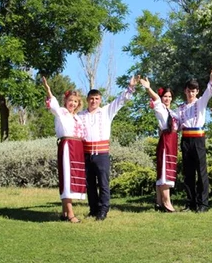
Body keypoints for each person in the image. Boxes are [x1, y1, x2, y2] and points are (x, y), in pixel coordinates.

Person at [78, 76, 138, 220]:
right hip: (86, 153)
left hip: (102, 153)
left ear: (100, 100)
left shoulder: (106, 111)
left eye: (97, 99)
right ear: (87, 100)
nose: (94, 101)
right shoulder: (80, 115)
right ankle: (93, 209)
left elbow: (120, 101)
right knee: (90, 183)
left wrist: (130, 87)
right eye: (92, 99)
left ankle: (103, 210)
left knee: (103, 182)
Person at [42, 77, 86, 223]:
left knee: (74, 177)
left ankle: (64, 212)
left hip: (77, 147)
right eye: (70, 100)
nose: (72, 103)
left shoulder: (77, 117)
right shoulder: (61, 112)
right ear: (65, 101)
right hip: (67, 146)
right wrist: (48, 90)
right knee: (68, 178)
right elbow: (53, 104)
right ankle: (71, 213)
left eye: (75, 101)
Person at [175, 69, 212, 213]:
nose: (191, 93)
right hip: (186, 139)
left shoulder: (200, 103)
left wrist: (211, 80)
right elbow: (176, 123)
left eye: (193, 91)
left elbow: (208, 93)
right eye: (189, 90)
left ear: (197, 92)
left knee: (201, 171)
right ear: (185, 91)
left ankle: (203, 204)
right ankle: (190, 202)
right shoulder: (180, 108)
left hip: (198, 138)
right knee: (188, 172)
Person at [139, 77, 178, 213]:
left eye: (169, 96)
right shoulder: (160, 108)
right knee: (164, 171)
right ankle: (167, 203)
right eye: (165, 96)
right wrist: (148, 88)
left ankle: (159, 202)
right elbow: (155, 98)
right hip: (166, 141)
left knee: (167, 169)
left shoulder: (172, 112)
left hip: (172, 141)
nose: (167, 99)